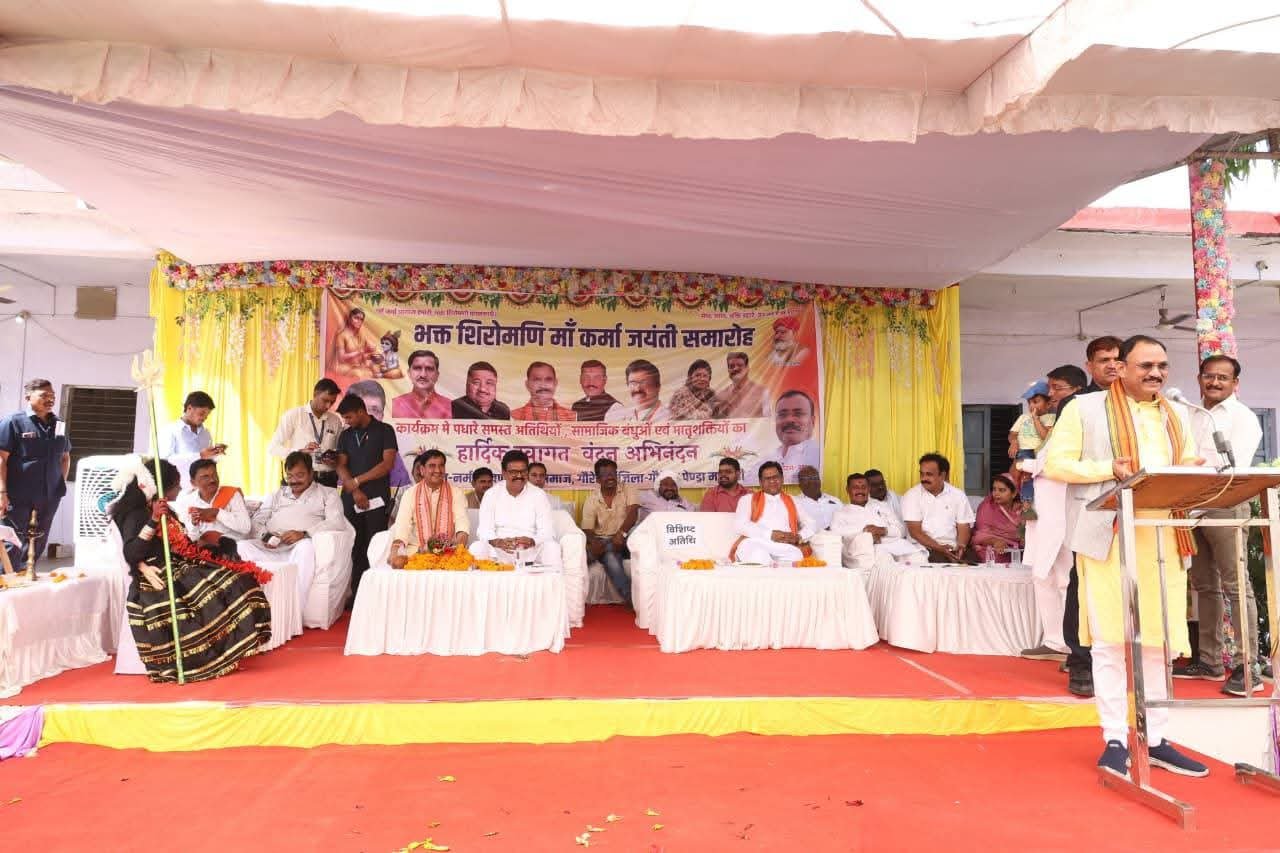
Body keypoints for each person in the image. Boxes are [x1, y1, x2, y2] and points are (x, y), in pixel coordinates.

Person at [1044, 334, 1209, 777]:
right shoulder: (1085, 409)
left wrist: (1192, 474)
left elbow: (1186, 462)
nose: (1156, 374)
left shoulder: (1177, 413)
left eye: (1162, 366)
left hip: (1163, 539)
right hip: (1108, 537)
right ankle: (1115, 737)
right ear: (1122, 368)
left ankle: (1155, 739)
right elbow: (1055, 463)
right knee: (1110, 642)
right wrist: (1108, 469)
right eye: (1146, 366)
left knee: (1158, 643)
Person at [109, 457, 271, 683]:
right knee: (220, 588)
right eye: (176, 485)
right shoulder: (137, 513)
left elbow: (181, 541)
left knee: (239, 577)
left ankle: (227, 647)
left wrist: (203, 541)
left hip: (179, 563)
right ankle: (212, 654)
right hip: (159, 574)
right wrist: (153, 521)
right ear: (162, 487)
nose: (180, 489)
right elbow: (132, 552)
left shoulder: (162, 507)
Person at [1172, 354, 1266, 695]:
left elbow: (1232, 467)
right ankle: (1210, 661)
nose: (1214, 382)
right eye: (1209, 376)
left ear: (1235, 383)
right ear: (1199, 379)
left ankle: (1248, 667)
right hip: (1191, 507)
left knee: (1236, 585)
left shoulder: (1243, 418)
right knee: (1204, 585)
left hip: (1226, 504)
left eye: (1222, 378)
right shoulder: (1190, 413)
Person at [1024, 363, 1092, 680]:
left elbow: (1055, 466)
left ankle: (1073, 645)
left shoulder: (1082, 422)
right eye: (1049, 388)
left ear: (1076, 391)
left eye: (1057, 388)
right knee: (1042, 576)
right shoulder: (1054, 425)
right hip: (1043, 514)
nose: (1050, 395)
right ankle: (1053, 640)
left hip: (1066, 514)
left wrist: (1027, 465)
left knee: (1066, 578)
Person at [0, 379, 71, 567]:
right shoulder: (13, 422)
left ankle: (26, 577)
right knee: (13, 542)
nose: (50, 399)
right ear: (28, 397)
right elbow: (1, 460)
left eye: (52, 396)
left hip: (49, 497)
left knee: (38, 541)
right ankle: (6, 579)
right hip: (17, 496)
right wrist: (2, 493)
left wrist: (59, 484)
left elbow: (65, 458)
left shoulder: (59, 424)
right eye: (44, 395)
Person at [335, 393, 399, 599]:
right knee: (354, 546)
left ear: (361, 412)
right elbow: (340, 465)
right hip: (351, 498)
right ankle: (355, 596)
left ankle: (376, 596)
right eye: (344, 418)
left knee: (376, 545)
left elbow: (387, 464)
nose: (346, 421)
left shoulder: (384, 430)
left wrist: (357, 481)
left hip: (377, 498)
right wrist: (354, 490)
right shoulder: (346, 435)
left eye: (349, 417)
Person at [472, 450, 562, 569]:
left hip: (530, 551)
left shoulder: (539, 495)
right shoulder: (491, 494)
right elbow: (484, 530)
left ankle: (551, 581)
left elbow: (547, 531)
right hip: (499, 551)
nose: (519, 476)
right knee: (477, 547)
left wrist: (532, 541)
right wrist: (498, 542)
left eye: (523, 471)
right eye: (514, 472)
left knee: (553, 548)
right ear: (504, 473)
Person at [388, 450, 470, 568]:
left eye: (441, 465)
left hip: (447, 551)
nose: (438, 470)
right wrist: (395, 550)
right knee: (399, 562)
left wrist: (459, 546)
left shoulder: (456, 493)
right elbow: (402, 526)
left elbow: (462, 523)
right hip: (416, 551)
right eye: (432, 466)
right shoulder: (410, 494)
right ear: (422, 470)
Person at [731, 461, 816, 564]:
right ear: (760, 482)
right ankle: (771, 565)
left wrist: (799, 536)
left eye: (776, 477)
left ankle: (772, 566)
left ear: (782, 479)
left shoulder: (794, 500)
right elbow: (740, 525)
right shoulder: (747, 499)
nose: (772, 481)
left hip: (784, 547)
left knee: (796, 555)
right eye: (767, 479)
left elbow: (811, 523)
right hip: (756, 542)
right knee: (757, 554)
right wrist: (770, 534)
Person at [581, 458, 640, 604]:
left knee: (602, 550)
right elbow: (587, 528)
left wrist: (621, 534)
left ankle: (587, 557)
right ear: (598, 479)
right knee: (610, 557)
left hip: (627, 537)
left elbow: (633, 513)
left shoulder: (627, 488)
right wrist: (594, 542)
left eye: (613, 473)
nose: (610, 477)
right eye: (605, 474)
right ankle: (633, 600)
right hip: (604, 540)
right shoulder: (592, 499)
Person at [267, 378, 344, 487]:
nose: (328, 406)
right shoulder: (294, 415)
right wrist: (299, 453)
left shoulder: (335, 420)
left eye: (332, 402)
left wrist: (334, 459)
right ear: (315, 394)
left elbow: (340, 450)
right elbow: (273, 448)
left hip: (328, 481)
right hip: (302, 480)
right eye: (325, 400)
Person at [901, 453, 974, 563]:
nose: (924, 478)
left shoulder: (958, 495)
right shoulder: (912, 495)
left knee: (977, 564)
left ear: (942, 475)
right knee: (942, 564)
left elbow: (963, 526)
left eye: (929, 474)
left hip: (952, 548)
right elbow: (915, 532)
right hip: (925, 549)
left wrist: (961, 546)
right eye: (922, 474)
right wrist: (940, 548)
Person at [174, 459, 250, 560]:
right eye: (205, 477)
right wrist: (194, 524)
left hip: (235, 548)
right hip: (205, 552)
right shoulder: (188, 501)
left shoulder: (231, 494)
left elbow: (246, 527)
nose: (212, 480)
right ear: (193, 482)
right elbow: (191, 538)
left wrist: (216, 512)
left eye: (214, 475)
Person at [348, 379, 412, 489]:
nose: (369, 416)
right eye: (362, 410)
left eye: (375, 410)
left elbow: (402, 492)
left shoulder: (391, 454)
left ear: (382, 415)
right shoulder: (341, 443)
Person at [830, 473, 908, 562]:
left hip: (897, 548)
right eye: (855, 487)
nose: (860, 491)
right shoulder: (840, 514)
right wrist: (867, 532)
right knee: (884, 558)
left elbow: (901, 530)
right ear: (848, 490)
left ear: (869, 489)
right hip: (865, 555)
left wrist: (882, 530)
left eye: (864, 487)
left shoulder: (881, 506)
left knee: (916, 558)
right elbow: (836, 533)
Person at [157, 391, 225, 490]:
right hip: (179, 489)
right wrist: (199, 455)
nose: (205, 418)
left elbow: (207, 463)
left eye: (207, 415)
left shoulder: (206, 433)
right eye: (202, 413)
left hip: (203, 489)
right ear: (189, 408)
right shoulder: (170, 430)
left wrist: (215, 453)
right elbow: (165, 461)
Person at [1009, 380, 1055, 508]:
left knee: (1028, 476)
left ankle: (1026, 502)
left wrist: (1035, 419)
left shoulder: (1051, 418)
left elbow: (1045, 437)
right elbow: (1013, 434)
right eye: (1029, 402)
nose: (1031, 406)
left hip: (1038, 452)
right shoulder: (1023, 417)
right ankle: (1018, 499)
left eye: (1035, 402)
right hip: (1023, 451)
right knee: (1015, 475)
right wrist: (1014, 442)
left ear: (1048, 404)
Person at [970, 474, 1024, 564]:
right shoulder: (987, 507)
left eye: (1002, 490)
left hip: (1018, 554)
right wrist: (995, 541)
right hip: (990, 554)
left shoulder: (1022, 509)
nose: (996, 493)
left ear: (1014, 493)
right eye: (994, 489)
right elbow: (979, 535)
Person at [767, 390, 821, 475]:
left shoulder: (821, 457)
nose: (789, 420)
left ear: (813, 421)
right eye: (782, 415)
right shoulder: (764, 462)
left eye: (798, 414)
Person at [604, 359, 671, 422]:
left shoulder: (670, 417)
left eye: (644, 383)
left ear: (658, 387)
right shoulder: (618, 416)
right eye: (633, 383)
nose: (637, 389)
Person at [391, 350, 451, 420]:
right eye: (417, 368)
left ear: (437, 375)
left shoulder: (450, 407)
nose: (423, 375)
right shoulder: (394, 404)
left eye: (429, 369)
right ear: (409, 373)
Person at [511, 362, 577, 421]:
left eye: (548, 379)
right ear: (527, 385)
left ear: (555, 383)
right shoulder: (514, 417)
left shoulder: (571, 417)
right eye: (537, 380)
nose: (543, 385)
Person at [714, 351, 770, 419]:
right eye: (731, 366)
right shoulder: (720, 395)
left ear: (747, 368)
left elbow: (768, 421)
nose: (735, 368)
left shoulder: (762, 392)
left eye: (740, 365)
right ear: (728, 370)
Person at [328, 306, 380, 377]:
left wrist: (372, 348)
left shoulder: (360, 334)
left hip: (358, 365)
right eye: (356, 318)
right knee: (358, 374)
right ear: (349, 318)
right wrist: (359, 352)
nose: (359, 321)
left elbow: (372, 346)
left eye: (361, 319)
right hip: (345, 367)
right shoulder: (342, 335)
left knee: (374, 370)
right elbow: (341, 357)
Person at [795, 465, 841, 530]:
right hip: (810, 536)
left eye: (815, 478)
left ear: (820, 481)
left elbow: (845, 521)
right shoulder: (795, 503)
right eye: (806, 479)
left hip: (837, 535)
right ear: (799, 485)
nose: (812, 481)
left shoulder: (835, 501)